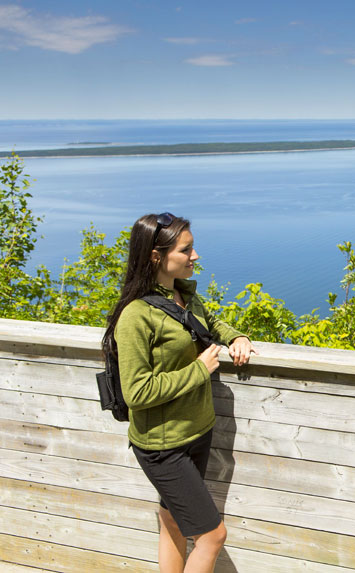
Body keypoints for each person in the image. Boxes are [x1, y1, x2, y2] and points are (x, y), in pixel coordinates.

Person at [103, 212, 255, 572]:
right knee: (212, 536)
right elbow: (137, 392)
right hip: (162, 445)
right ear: (157, 256)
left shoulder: (181, 294)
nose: (195, 256)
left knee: (172, 523)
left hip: (197, 432)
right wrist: (200, 370)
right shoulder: (136, 316)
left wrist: (237, 336)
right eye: (186, 250)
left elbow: (209, 323)